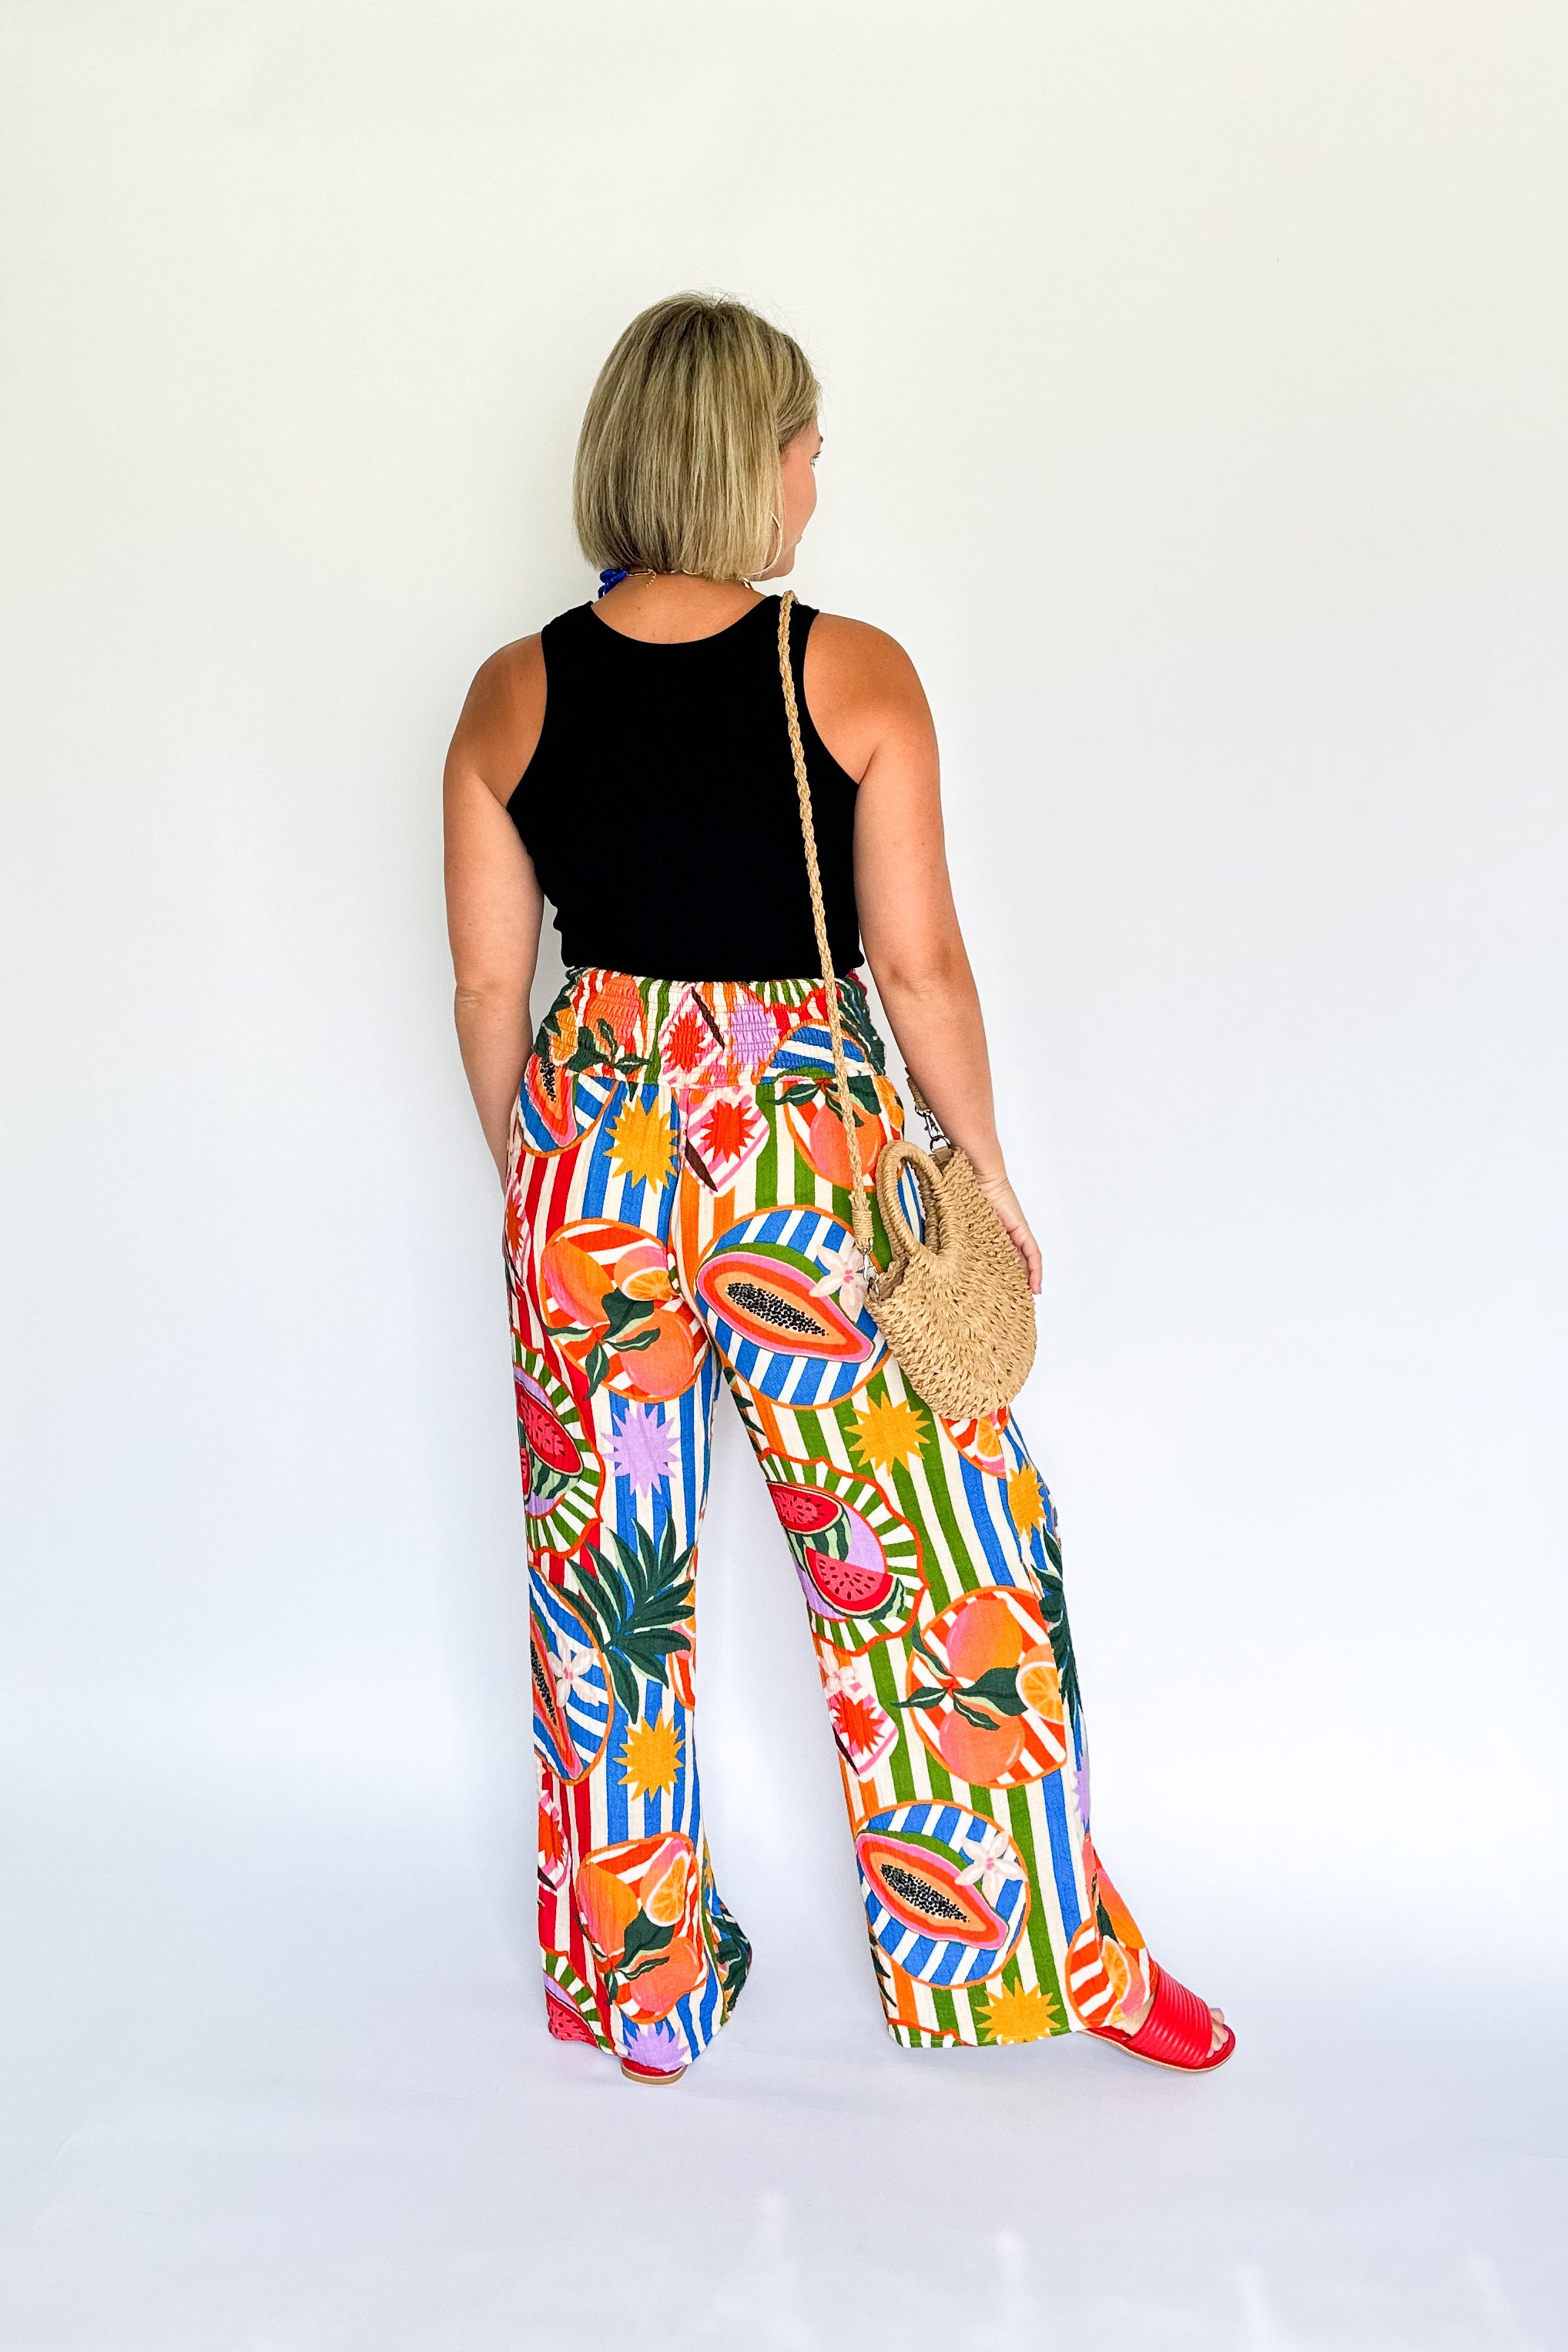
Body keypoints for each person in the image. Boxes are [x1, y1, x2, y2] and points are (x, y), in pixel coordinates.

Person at [444, 293, 1231, 2084]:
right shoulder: (847, 671)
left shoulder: (511, 690)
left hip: (583, 1156)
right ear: (749, 460)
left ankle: (633, 1986)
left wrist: (540, 1173)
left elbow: (491, 989)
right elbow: (919, 966)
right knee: (946, 1563)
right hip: (804, 1152)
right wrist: (984, 1170)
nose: (816, 479)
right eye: (807, 447)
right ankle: (1037, 1961)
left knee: (608, 1585)